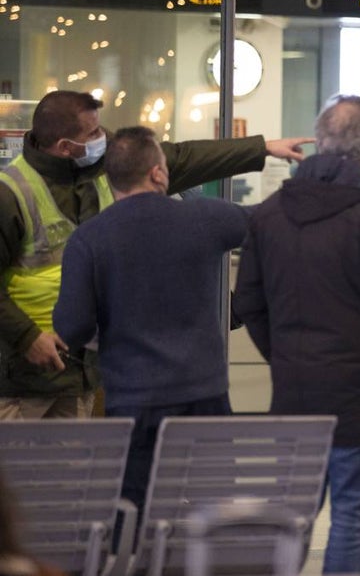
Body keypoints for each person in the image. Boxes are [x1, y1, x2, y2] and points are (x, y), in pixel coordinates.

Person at [0, 89, 309, 420]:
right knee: (22, 470)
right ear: (64, 147)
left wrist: (261, 148)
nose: (102, 138)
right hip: (22, 376)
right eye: (92, 133)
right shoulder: (12, 193)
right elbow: (266, 223)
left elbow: (186, 157)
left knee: (83, 469)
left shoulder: (99, 191)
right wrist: (27, 337)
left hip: (85, 377)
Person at [232, 95, 360, 575]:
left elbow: (250, 303)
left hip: (294, 392)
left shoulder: (269, 213)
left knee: (290, 516)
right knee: (355, 515)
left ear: (317, 143)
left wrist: (285, 358)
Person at [51, 126, 247, 513]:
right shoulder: (205, 217)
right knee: (217, 509)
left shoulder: (89, 239)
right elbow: (271, 230)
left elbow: (71, 326)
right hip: (203, 395)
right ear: (158, 173)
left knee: (134, 513)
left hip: (134, 400)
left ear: (111, 178)